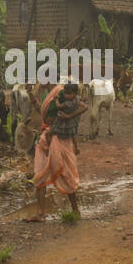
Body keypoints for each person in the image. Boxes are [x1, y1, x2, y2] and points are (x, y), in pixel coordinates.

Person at [26, 82, 87, 222]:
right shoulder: (50, 95)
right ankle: (41, 213)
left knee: (66, 173)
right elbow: (41, 111)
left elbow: (80, 107)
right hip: (48, 136)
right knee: (40, 173)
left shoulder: (60, 93)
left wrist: (68, 117)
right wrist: (30, 95)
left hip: (59, 137)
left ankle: (75, 210)